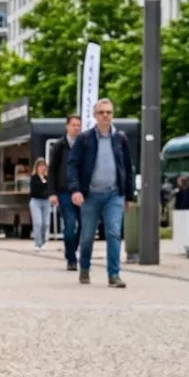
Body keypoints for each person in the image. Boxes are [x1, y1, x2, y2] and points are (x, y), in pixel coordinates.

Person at [67, 98, 134, 288]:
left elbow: (128, 168)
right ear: (95, 116)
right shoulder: (85, 139)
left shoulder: (120, 139)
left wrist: (129, 196)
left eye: (109, 112)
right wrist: (75, 189)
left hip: (114, 194)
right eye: (102, 112)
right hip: (90, 195)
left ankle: (114, 275)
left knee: (113, 232)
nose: (106, 115)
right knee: (87, 235)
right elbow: (72, 165)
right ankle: (85, 268)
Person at [47, 115, 82, 271]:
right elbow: (52, 169)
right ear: (67, 126)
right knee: (69, 225)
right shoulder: (60, 146)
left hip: (82, 191)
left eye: (78, 125)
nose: (76, 128)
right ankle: (71, 258)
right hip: (64, 191)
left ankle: (72, 250)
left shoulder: (83, 144)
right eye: (73, 125)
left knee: (84, 225)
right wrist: (52, 192)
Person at [29, 158, 52, 251]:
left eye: (44, 166)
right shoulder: (34, 178)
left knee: (45, 223)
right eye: (40, 166)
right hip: (36, 201)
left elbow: (49, 189)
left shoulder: (48, 178)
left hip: (46, 202)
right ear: (37, 167)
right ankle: (37, 243)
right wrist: (43, 189)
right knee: (38, 222)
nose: (42, 168)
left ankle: (43, 241)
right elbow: (34, 190)